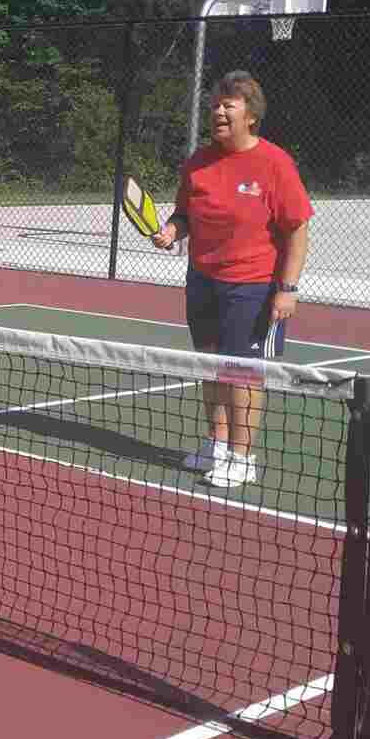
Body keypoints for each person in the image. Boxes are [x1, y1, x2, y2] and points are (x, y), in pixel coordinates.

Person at [151, 70, 312, 489]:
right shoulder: (198, 163)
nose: (218, 112)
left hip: (253, 285)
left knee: (242, 372)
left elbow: (297, 229)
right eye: (214, 106)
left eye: (228, 106)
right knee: (209, 364)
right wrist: (172, 231)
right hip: (202, 279)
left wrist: (287, 289)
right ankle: (217, 445)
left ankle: (243, 456)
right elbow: (185, 214)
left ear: (251, 116)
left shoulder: (275, 164)